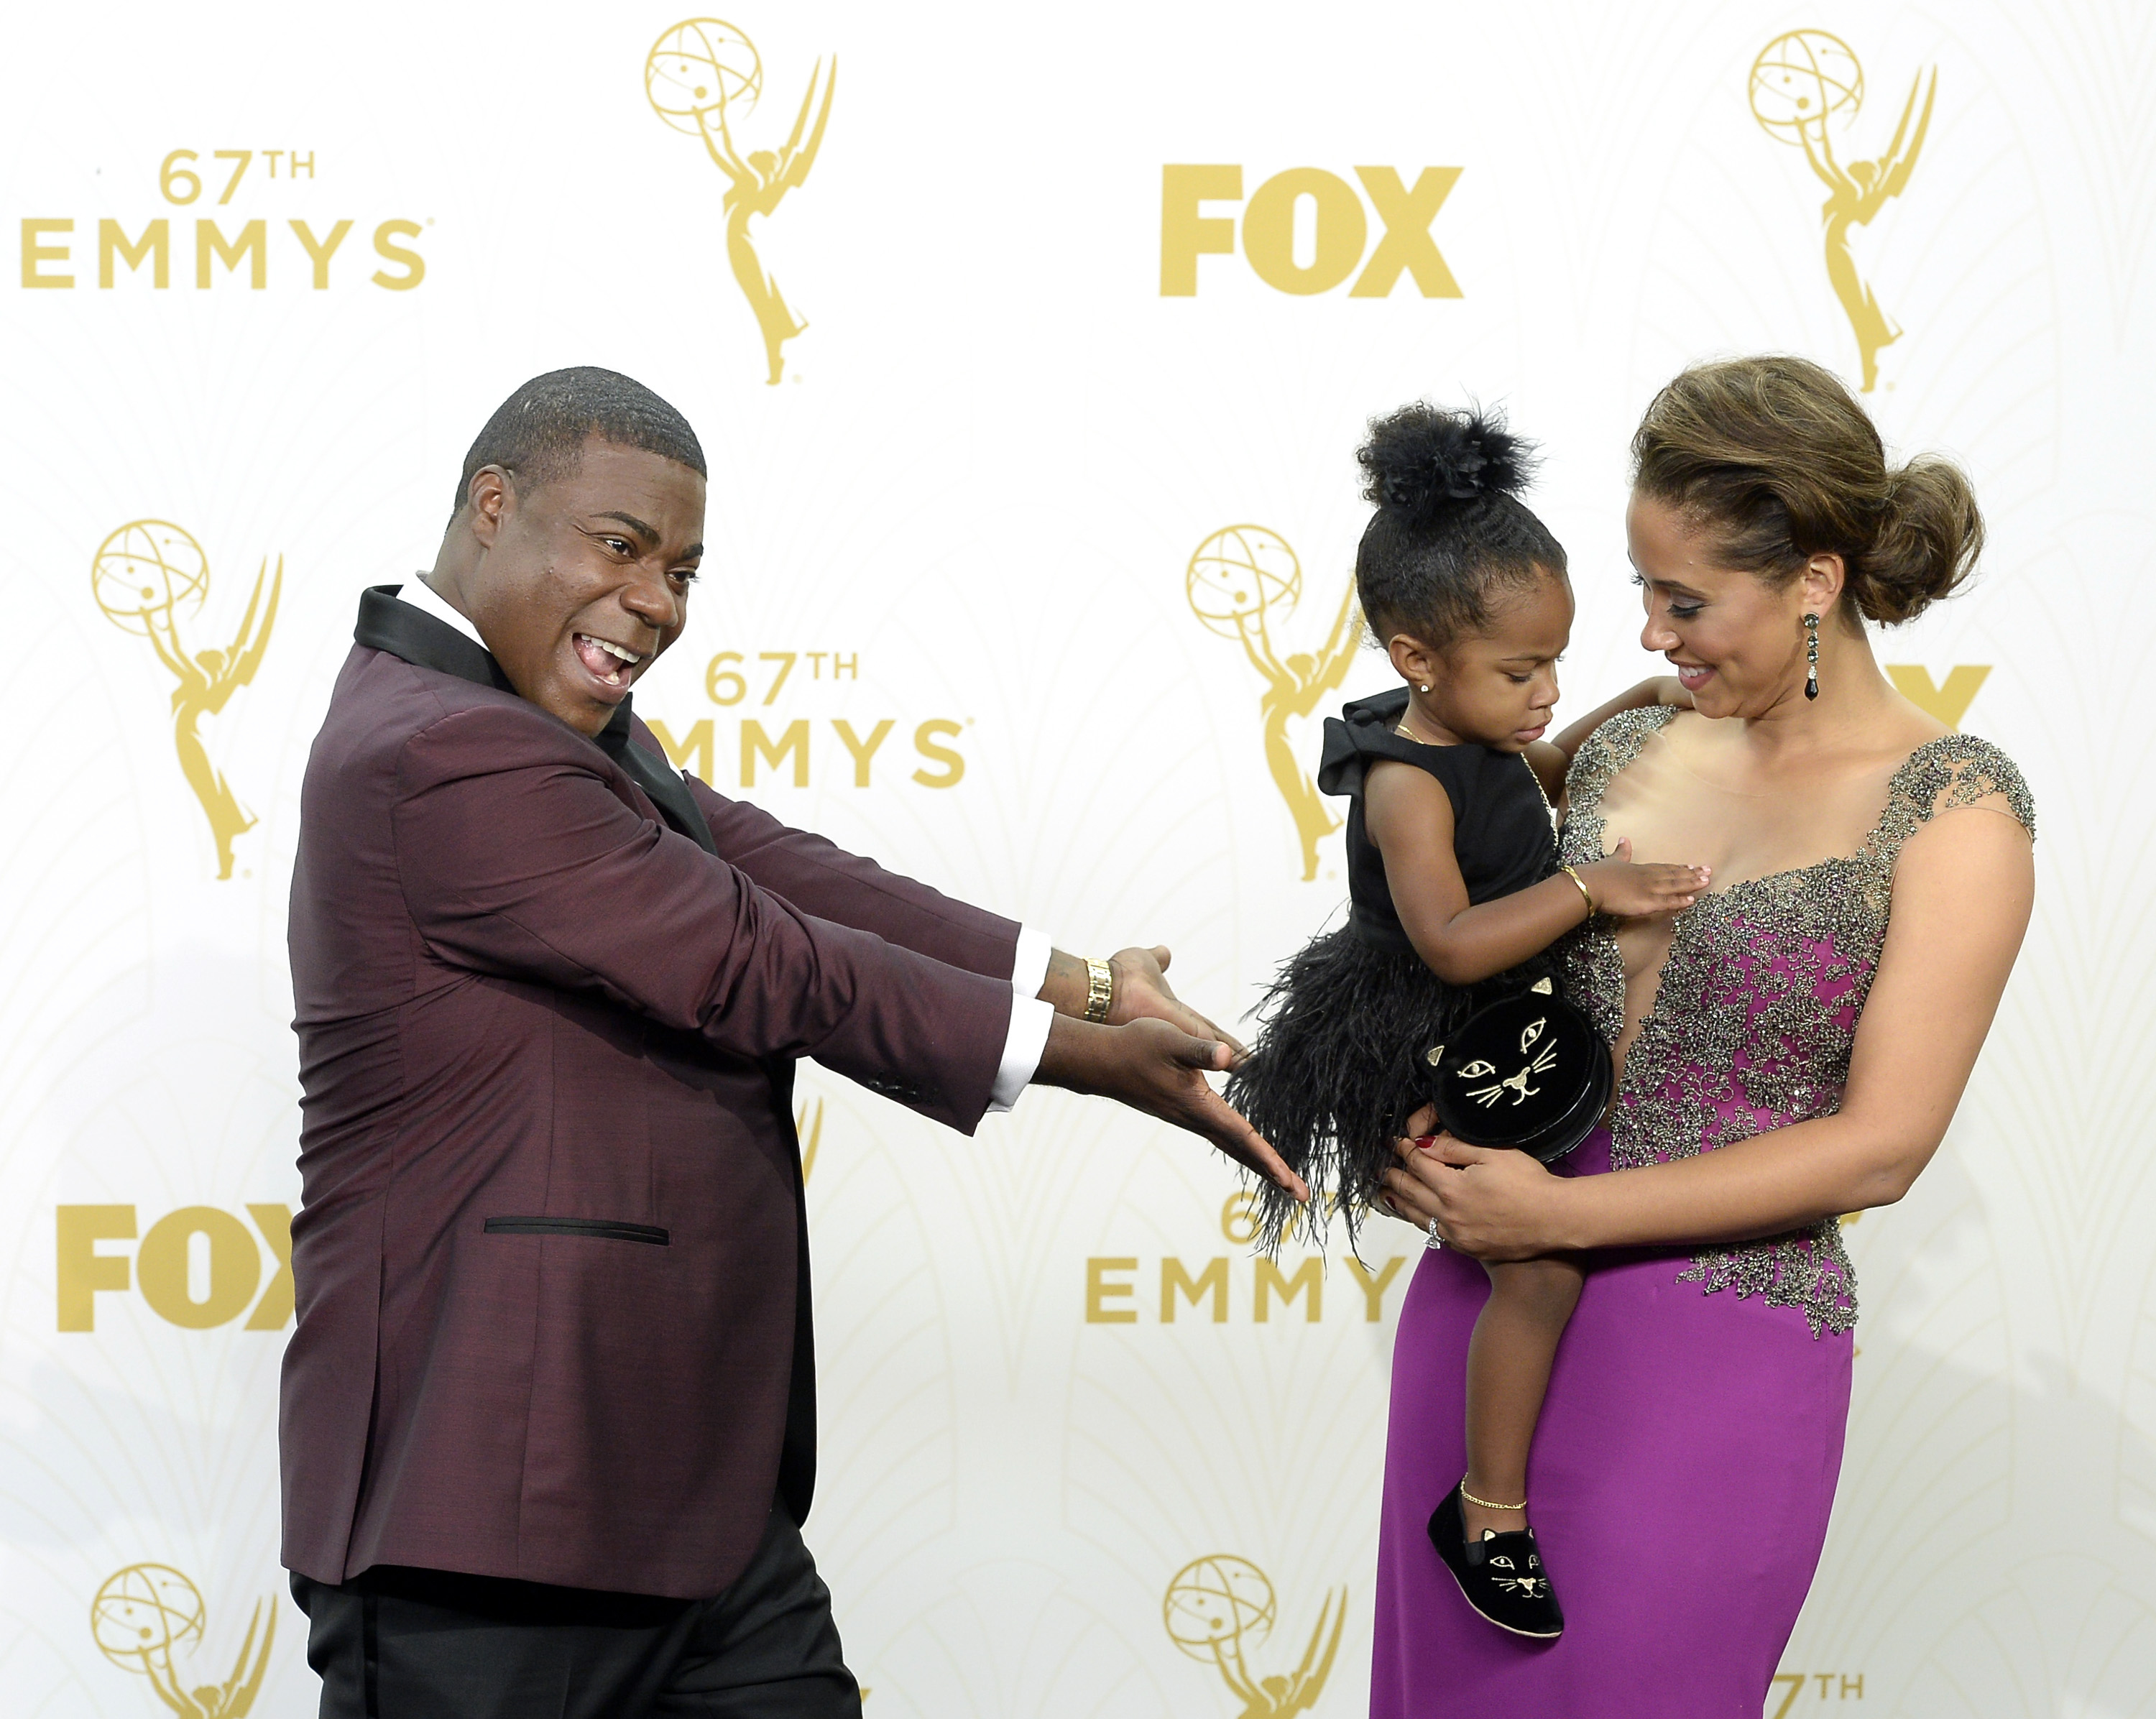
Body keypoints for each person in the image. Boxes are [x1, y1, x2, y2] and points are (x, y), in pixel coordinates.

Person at [279, 366, 1304, 1718]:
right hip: (490, 1522)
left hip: (690, 1505)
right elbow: (754, 957)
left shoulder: (534, 730)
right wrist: (1072, 1052)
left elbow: (782, 870)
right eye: (620, 546)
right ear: (490, 507)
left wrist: (1090, 985)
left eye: (685, 569)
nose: (658, 602)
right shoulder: (434, 752)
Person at [1370, 355, 2035, 1715]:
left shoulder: (1955, 806)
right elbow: (1475, 964)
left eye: (1687, 602)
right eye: (1643, 595)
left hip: (1717, 1349)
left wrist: (1549, 1215)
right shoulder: (1621, 755)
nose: (1656, 638)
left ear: (1814, 580)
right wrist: (1421, 1125)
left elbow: (1880, 1149)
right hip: (1490, 1309)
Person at [1227, 403, 1706, 1639]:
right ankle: (1487, 1513)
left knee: (1546, 1256)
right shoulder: (1399, 781)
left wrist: (1626, 709)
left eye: (1559, 665)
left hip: (1480, 1025)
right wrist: (1589, 889)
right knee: (1539, 1267)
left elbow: (1523, 783)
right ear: (1416, 656)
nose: (1546, 693)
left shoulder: (1472, 732)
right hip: (1412, 1032)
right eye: (1521, 674)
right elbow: (1448, 938)